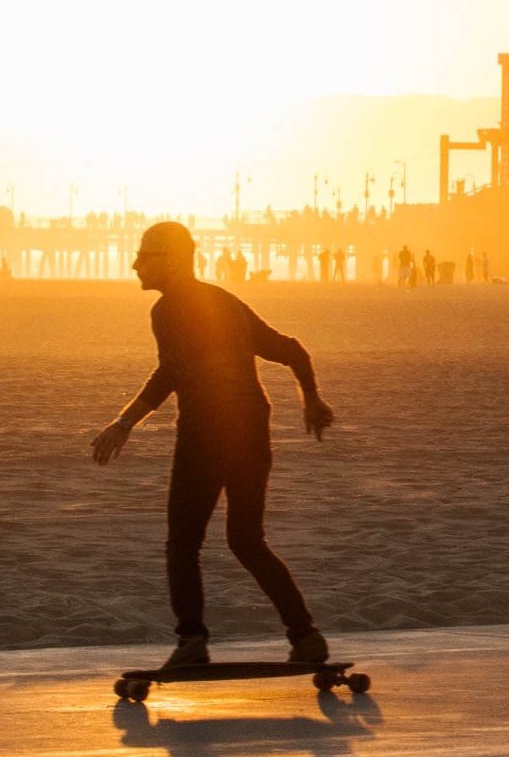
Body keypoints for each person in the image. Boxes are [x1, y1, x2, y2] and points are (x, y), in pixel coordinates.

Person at [91, 220, 334, 671]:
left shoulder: (167, 310)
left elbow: (171, 373)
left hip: (207, 428)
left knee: (182, 542)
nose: (135, 264)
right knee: (247, 539)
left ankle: (192, 641)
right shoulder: (225, 301)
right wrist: (311, 397)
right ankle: (306, 636)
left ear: (176, 263)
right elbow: (293, 350)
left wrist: (124, 422)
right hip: (252, 426)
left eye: (146, 256)